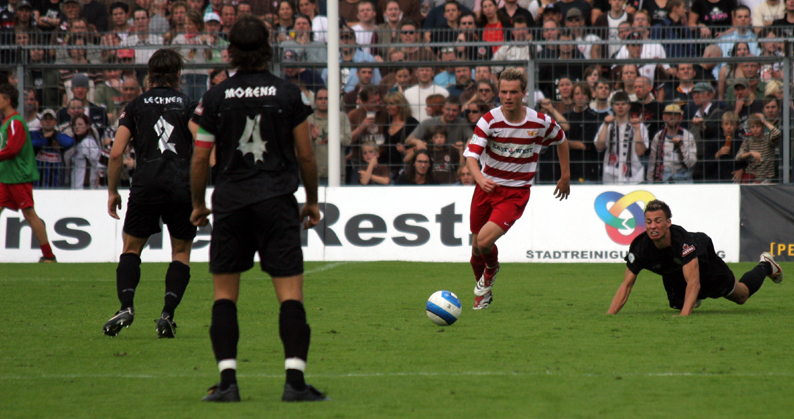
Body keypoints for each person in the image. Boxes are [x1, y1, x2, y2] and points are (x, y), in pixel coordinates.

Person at [189, 15, 327, 403]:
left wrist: (198, 204)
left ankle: (227, 383)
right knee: (290, 295)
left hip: (231, 203)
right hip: (276, 201)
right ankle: (295, 383)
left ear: (230, 51)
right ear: (268, 49)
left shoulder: (215, 97)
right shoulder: (288, 94)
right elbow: (306, 155)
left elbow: (200, 158)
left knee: (224, 296)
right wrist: (311, 201)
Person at [101, 48, 197, 340]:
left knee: (131, 249)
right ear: (178, 74)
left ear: (150, 74)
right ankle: (167, 314)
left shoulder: (135, 106)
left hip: (145, 185)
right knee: (181, 252)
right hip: (181, 186)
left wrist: (113, 191)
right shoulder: (188, 105)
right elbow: (205, 144)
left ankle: (126, 306)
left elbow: (116, 153)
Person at [463, 68, 570, 310]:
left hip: (514, 193)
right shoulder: (488, 120)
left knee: (484, 241)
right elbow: (470, 156)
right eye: (503, 92)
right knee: (476, 249)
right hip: (486, 188)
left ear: (523, 93)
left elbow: (561, 139)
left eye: (513, 92)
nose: (508, 97)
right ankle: (484, 291)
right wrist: (480, 178)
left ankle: (491, 270)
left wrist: (565, 176)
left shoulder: (539, 122)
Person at [607, 200, 783, 316]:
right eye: (648, 222)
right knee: (677, 303)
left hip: (706, 265)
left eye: (658, 221)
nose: (653, 226)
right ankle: (693, 298)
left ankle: (766, 265)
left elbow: (693, 281)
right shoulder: (640, 247)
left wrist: (684, 317)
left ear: (668, 222)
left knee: (741, 296)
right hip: (676, 270)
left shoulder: (683, 242)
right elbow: (626, 285)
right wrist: (610, 315)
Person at [0, 83, 58, 263]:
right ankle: (48, 255)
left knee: (29, 214)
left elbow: (13, 149)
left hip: (18, 177)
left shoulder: (15, 122)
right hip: (6, 176)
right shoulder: (8, 122)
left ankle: (48, 255)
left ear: (7, 101)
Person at [594, 91, 648, 184]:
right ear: (612, 107)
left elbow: (640, 151)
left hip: (634, 177)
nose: (620, 107)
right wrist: (606, 124)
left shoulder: (640, 126)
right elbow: (599, 147)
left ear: (629, 106)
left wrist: (637, 130)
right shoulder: (607, 125)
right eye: (617, 104)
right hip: (611, 177)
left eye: (623, 104)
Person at [646, 104, 697, 183]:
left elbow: (691, 163)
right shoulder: (658, 137)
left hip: (683, 181)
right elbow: (652, 163)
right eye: (669, 114)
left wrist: (681, 146)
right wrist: (650, 184)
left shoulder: (688, 136)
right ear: (664, 117)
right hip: (663, 181)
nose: (672, 117)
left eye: (675, 114)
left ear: (680, 118)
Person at [736, 113, 780, 183]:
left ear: (763, 127)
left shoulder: (768, 139)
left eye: (758, 126)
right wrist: (750, 153)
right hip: (752, 178)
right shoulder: (747, 141)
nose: (755, 129)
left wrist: (764, 121)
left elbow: (777, 133)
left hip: (767, 179)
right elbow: (738, 157)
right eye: (752, 127)